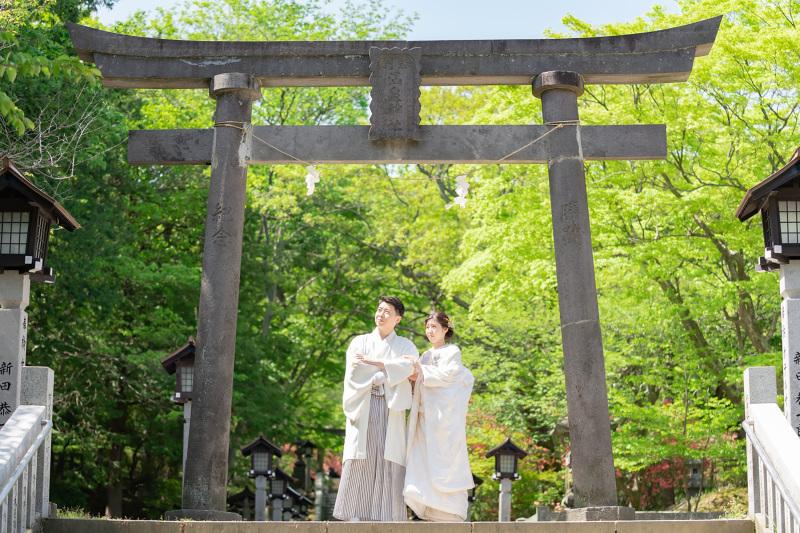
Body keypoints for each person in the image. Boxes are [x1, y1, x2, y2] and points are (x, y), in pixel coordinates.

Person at [333, 296, 419, 522]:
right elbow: (355, 372)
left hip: (391, 410)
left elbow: (411, 366)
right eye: (379, 310)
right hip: (364, 405)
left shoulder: (406, 345)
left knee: (387, 459)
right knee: (362, 457)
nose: (380, 314)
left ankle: (387, 516)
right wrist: (389, 373)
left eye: (387, 311)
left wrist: (377, 365)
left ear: (397, 319)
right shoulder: (359, 342)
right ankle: (353, 515)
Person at [403, 311, 474, 522]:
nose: (430, 331)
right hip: (425, 418)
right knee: (422, 459)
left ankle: (450, 511)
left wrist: (421, 371)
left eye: (434, 327)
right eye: (427, 327)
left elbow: (450, 375)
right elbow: (420, 380)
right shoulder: (424, 355)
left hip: (444, 418)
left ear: (445, 330)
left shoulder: (452, 351)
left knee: (446, 460)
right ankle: (430, 508)